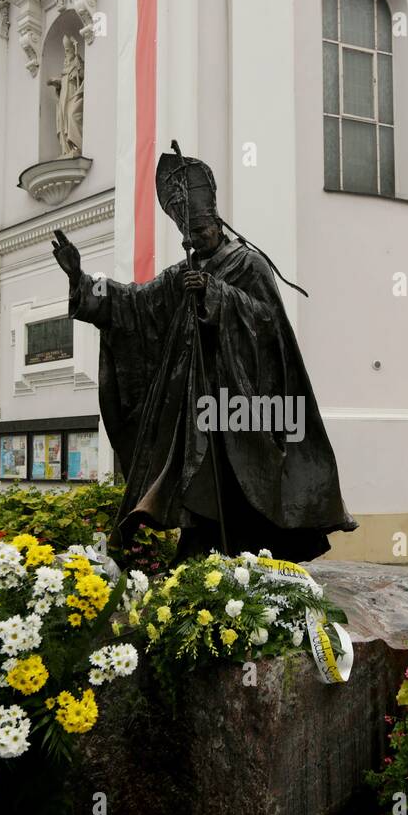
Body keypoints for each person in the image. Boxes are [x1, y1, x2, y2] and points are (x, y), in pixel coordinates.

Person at [49, 146, 356, 563]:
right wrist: (83, 280)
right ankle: (198, 548)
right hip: (191, 403)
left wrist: (217, 295)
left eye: (199, 232)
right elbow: (135, 305)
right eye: (186, 236)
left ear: (216, 222)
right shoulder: (184, 271)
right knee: (192, 472)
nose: (192, 241)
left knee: (236, 478)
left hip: (238, 404)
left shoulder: (247, 265)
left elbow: (269, 325)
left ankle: (249, 553)